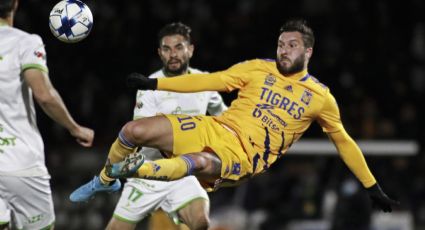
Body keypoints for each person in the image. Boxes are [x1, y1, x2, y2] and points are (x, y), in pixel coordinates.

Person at [71, 18, 398, 220]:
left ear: (308, 52)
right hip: (216, 127)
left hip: (245, 155)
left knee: (197, 162)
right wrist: (154, 83)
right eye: (281, 44)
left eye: (292, 45)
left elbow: (343, 141)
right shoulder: (258, 67)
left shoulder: (320, 97)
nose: (284, 50)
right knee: (134, 130)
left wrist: (372, 187)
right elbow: (209, 80)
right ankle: (106, 179)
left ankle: (137, 170)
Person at [101, 22, 227, 230]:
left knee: (201, 223)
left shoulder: (205, 82)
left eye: (179, 47)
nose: (173, 54)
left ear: (191, 49)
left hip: (184, 174)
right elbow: (143, 134)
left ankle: (180, 213)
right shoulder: (150, 85)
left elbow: (224, 117)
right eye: (167, 49)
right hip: (149, 174)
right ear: (160, 53)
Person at [0, 0, 94, 229]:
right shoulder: (25, 42)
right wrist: (74, 128)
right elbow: (44, 95)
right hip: (19, 162)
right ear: (15, 4)